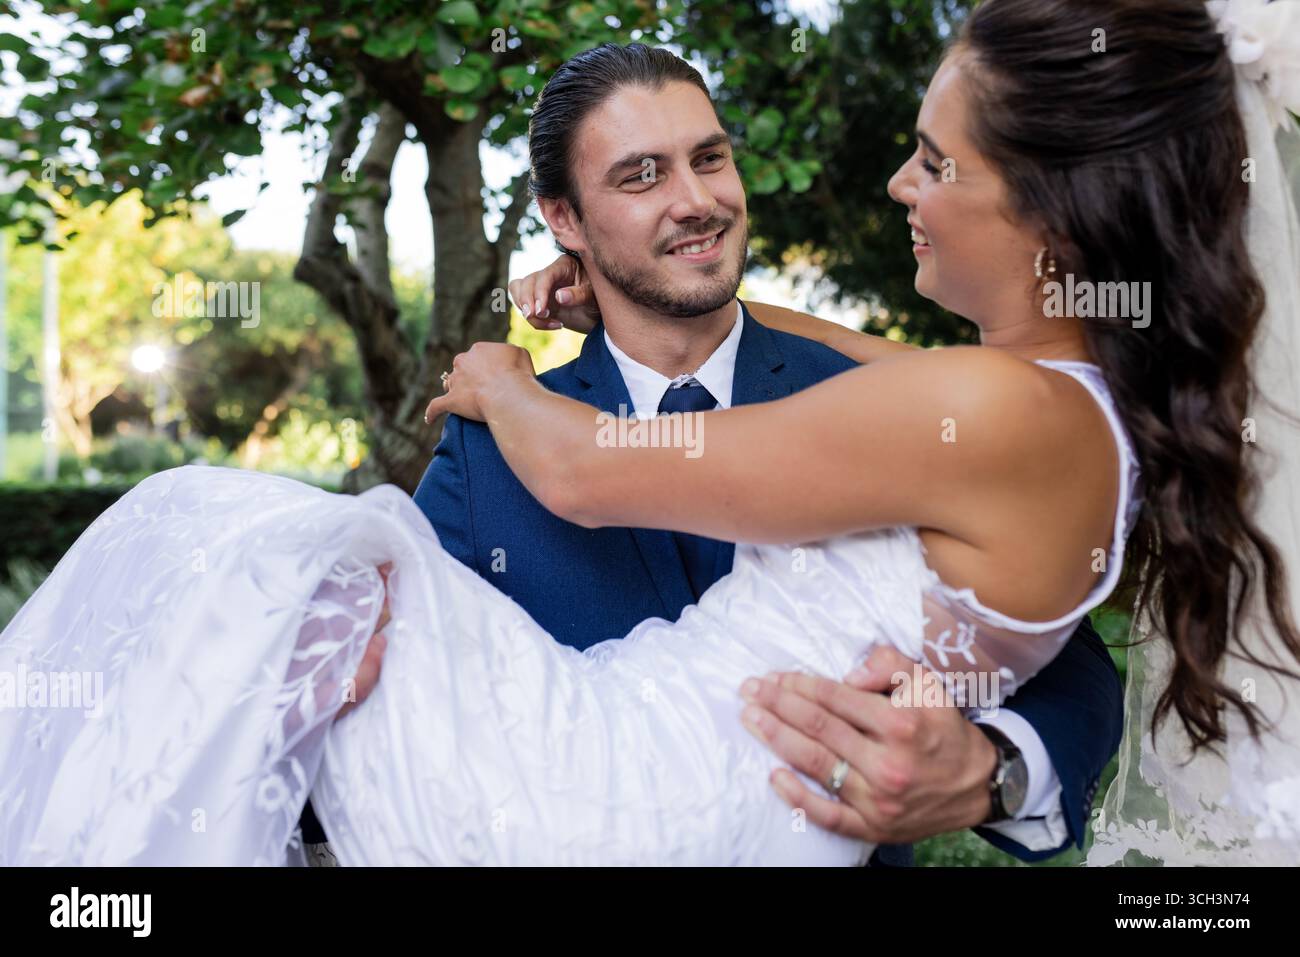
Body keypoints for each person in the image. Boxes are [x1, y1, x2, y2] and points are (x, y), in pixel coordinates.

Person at [1, 0, 1296, 865]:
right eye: (641, 180)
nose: (901, 182)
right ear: (566, 224)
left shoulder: (966, 405)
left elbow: (572, 469)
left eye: (936, 163)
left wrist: (499, 373)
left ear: (1057, 203)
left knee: (214, 527)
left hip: (641, 804)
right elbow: (909, 376)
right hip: (611, 790)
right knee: (301, 591)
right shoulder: (1053, 403)